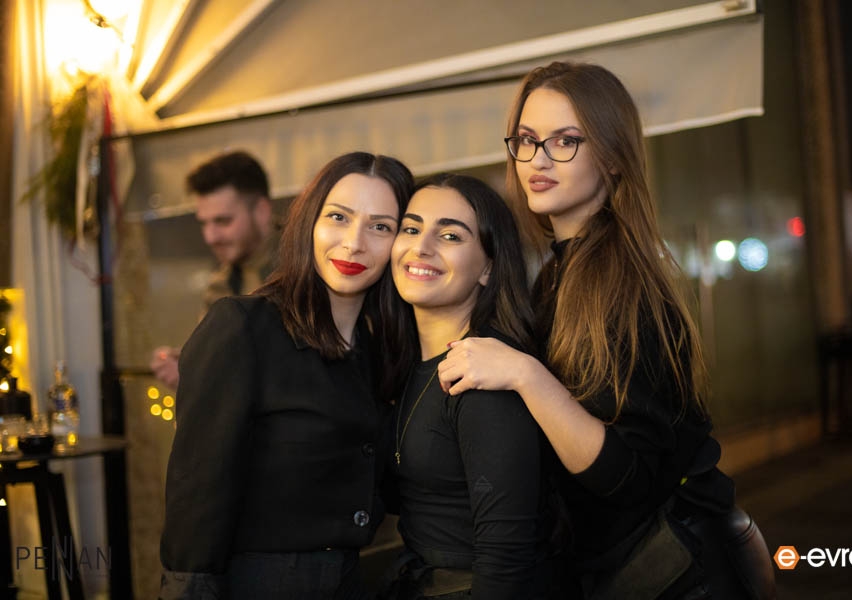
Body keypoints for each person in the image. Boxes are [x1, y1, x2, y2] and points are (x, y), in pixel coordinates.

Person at [437, 62, 774, 599]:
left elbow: (626, 478)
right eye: (526, 140)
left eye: (565, 141)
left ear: (614, 157)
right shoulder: (559, 272)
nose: (538, 159)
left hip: (673, 574)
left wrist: (525, 374)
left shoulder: (622, 281)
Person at [159, 152, 416, 599]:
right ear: (308, 222)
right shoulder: (243, 325)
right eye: (338, 217)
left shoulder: (377, 348)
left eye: (380, 226)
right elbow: (197, 491)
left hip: (351, 578)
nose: (354, 243)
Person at [383, 174, 546, 599]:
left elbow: (505, 559)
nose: (421, 247)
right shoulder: (406, 363)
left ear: (488, 267)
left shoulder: (484, 377)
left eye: (450, 235)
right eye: (411, 229)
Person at [151, 150, 278, 389]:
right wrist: (188, 364)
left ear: (261, 211)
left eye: (223, 221)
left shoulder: (305, 269)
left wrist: (199, 377)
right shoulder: (221, 283)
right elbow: (220, 356)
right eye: (204, 223)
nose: (210, 237)